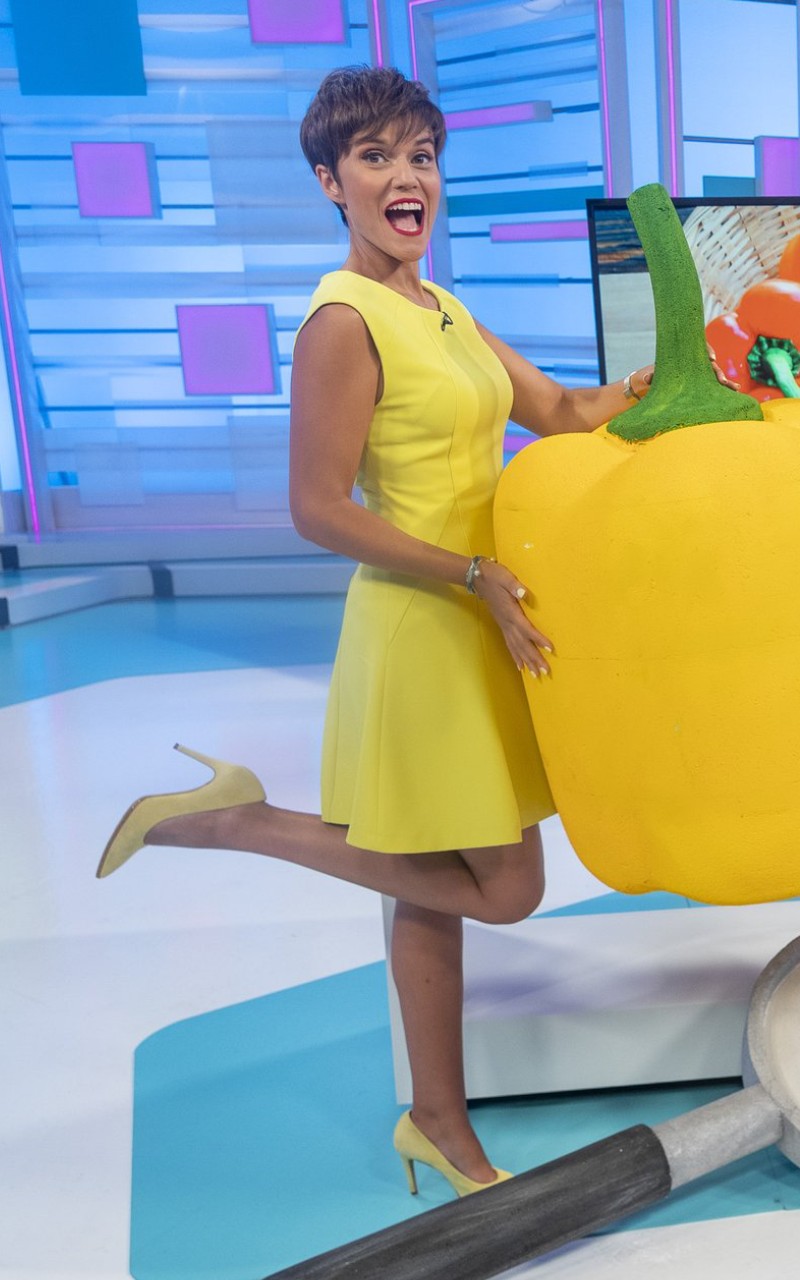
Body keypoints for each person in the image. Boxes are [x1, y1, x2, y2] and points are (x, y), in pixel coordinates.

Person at [97, 65, 735, 1198]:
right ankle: (240, 818)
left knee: (432, 875)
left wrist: (656, 384)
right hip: (425, 621)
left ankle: (436, 1121)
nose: (408, 176)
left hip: (482, 615)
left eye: (423, 156)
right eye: (378, 156)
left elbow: (560, 411)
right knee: (505, 886)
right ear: (329, 181)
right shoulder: (342, 322)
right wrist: (469, 573)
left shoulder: (440, 306)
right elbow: (317, 507)